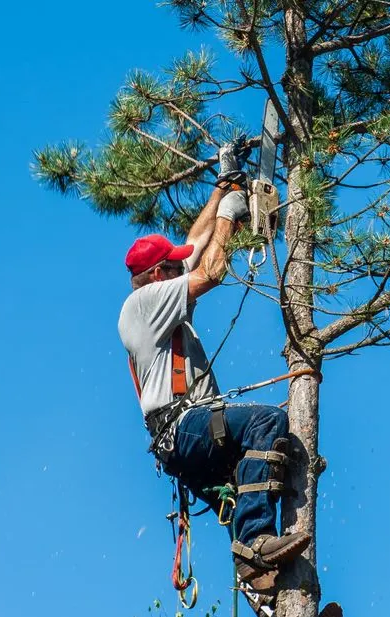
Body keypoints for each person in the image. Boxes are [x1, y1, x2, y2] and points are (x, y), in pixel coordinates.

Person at [117, 142, 309, 604]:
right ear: (158, 275)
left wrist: (223, 188)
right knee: (266, 422)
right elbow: (211, 270)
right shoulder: (144, 303)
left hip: (182, 440)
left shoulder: (155, 297)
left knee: (250, 486)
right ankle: (256, 544)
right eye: (172, 266)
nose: (180, 268)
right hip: (184, 427)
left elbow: (195, 244)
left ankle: (268, 597)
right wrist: (230, 215)